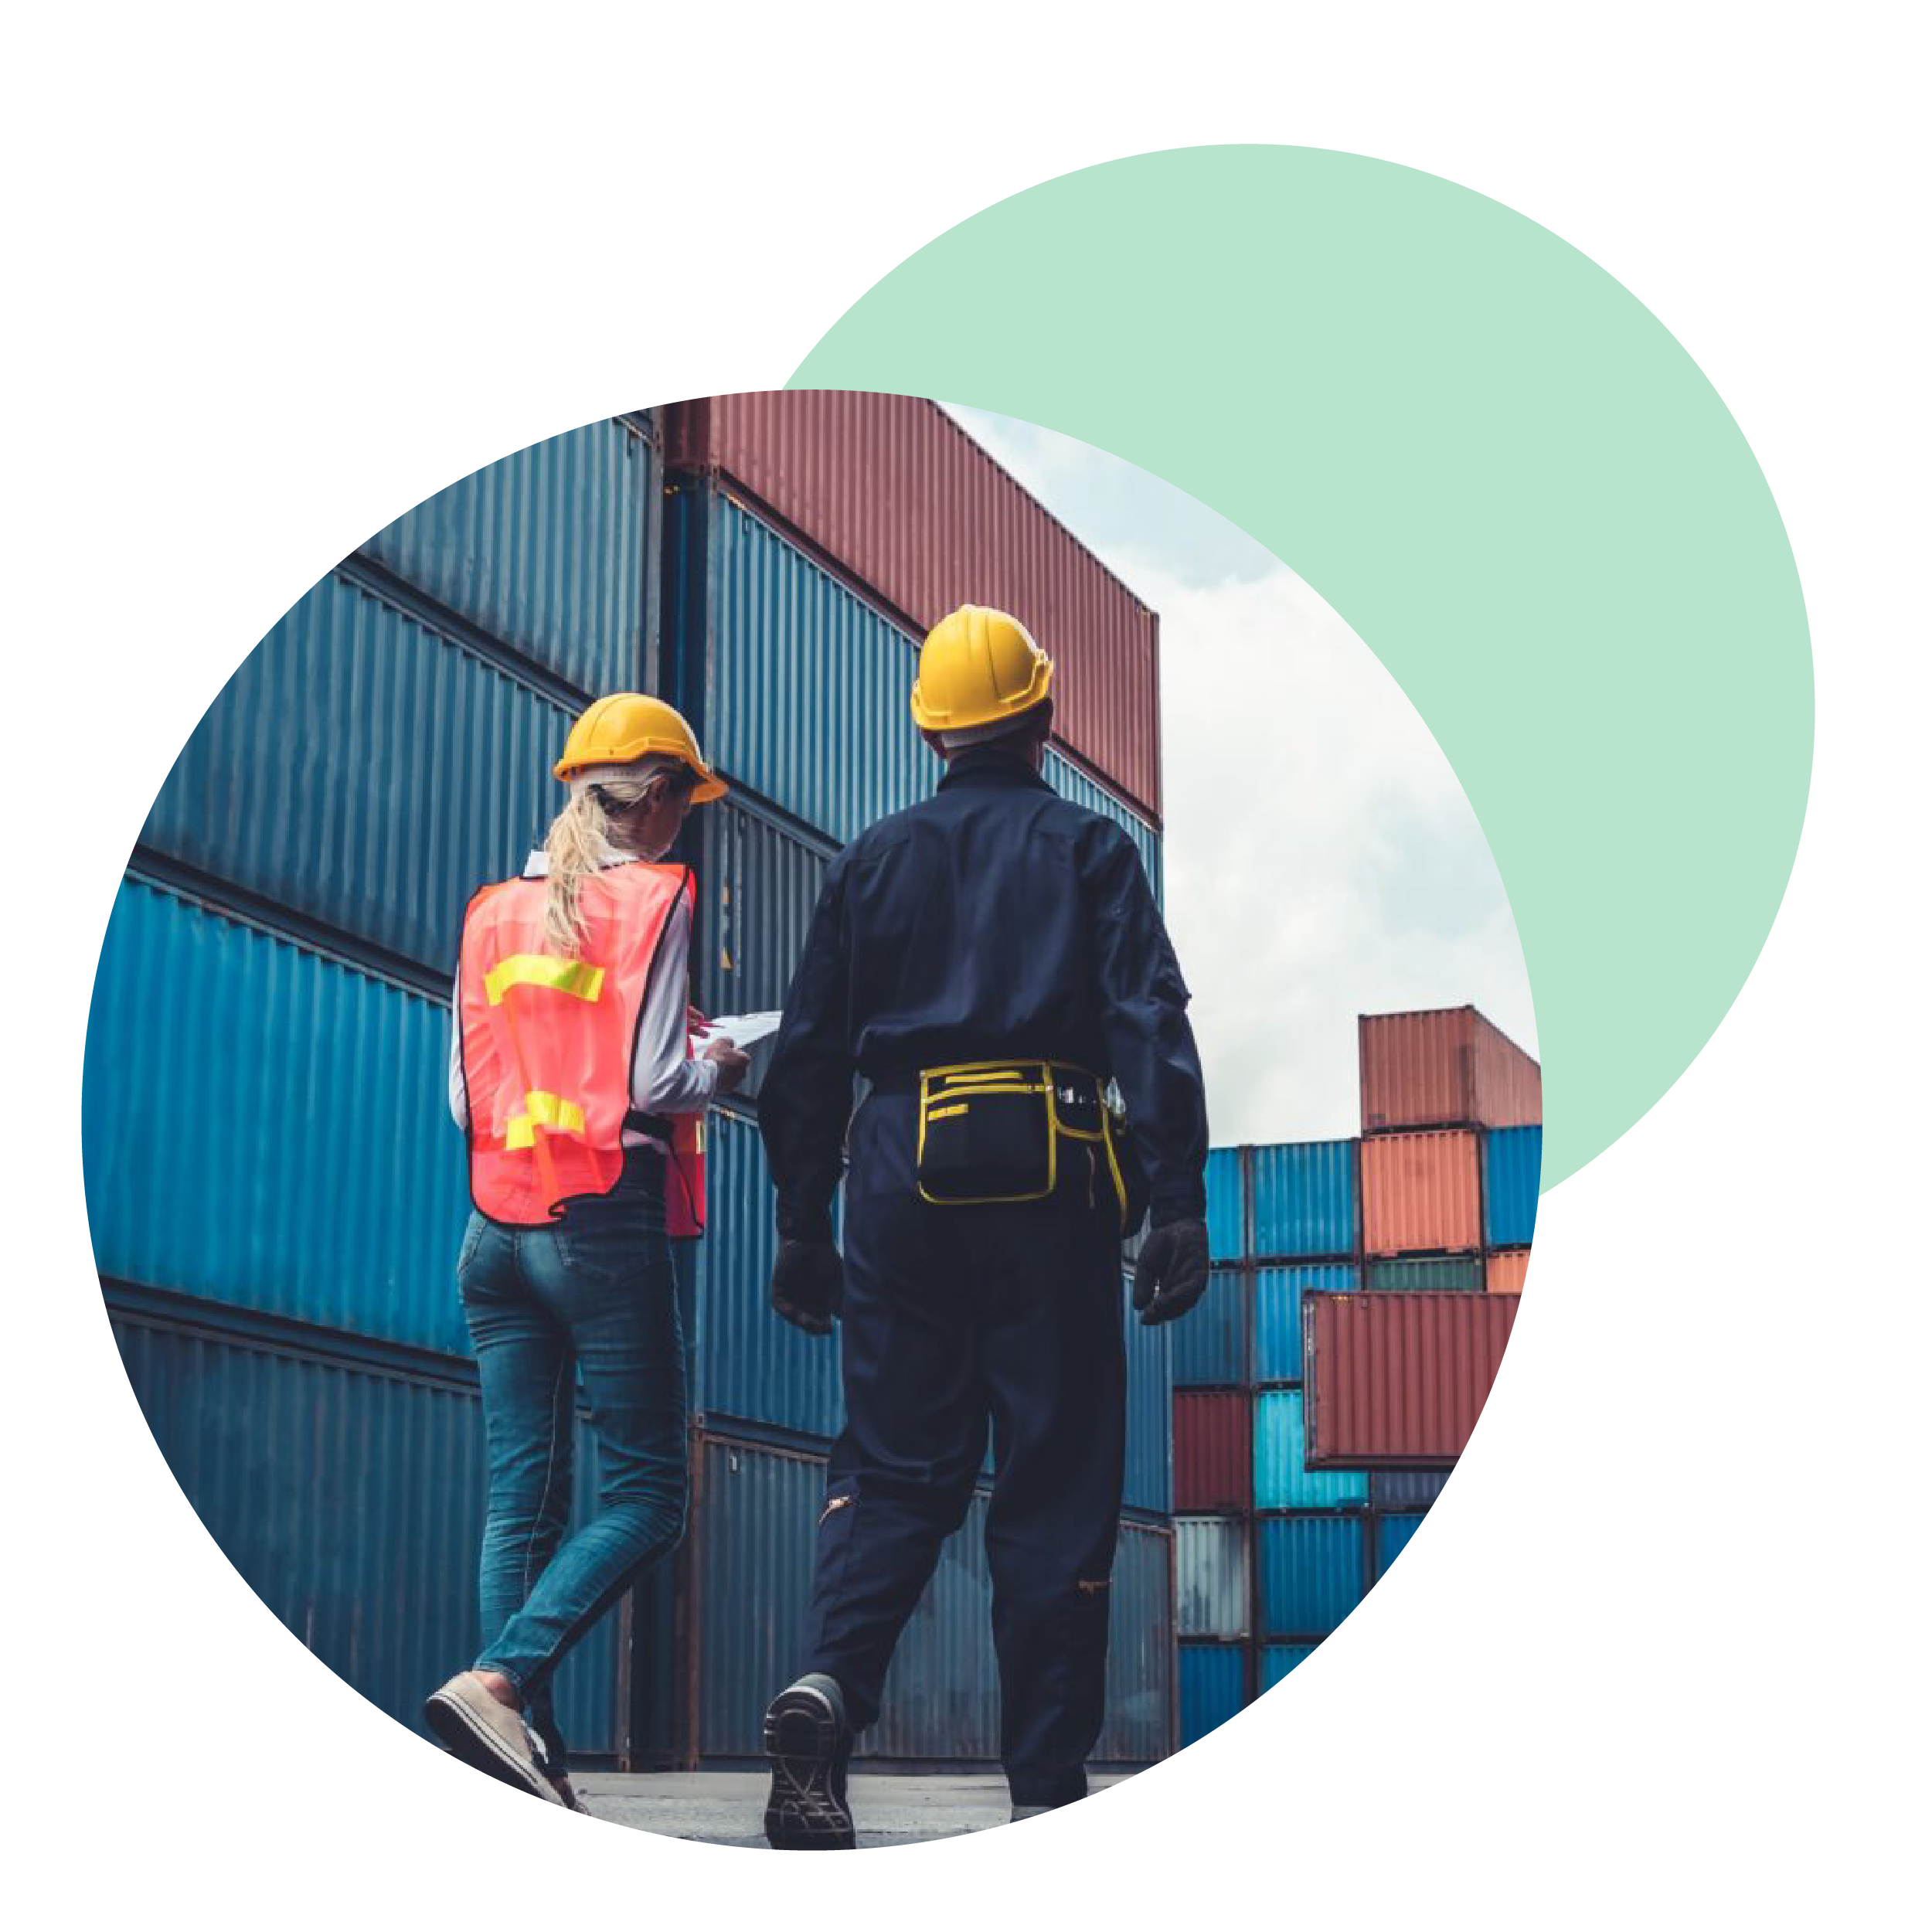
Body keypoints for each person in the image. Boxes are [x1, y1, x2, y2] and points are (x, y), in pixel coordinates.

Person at [755, 605, 1212, 1854]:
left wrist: (800, 1225)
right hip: (1046, 1174)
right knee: (1055, 1475)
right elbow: (1148, 1023)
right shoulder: (1091, 849)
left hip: (896, 1170)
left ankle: (828, 1692)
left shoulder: (872, 860)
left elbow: (807, 1059)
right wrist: (1177, 1200)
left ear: (931, 735)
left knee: (894, 1465)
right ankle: (1049, 1793)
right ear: (1043, 719)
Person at [423, 693, 749, 1825]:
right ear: (654, 797)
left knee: (521, 1503)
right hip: (601, 1223)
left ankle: (524, 1767)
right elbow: (656, 1083)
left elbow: (465, 1100)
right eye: (684, 801)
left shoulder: (491, 912)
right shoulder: (656, 897)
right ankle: (501, 1681)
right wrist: (724, 1066)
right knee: (650, 1494)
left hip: (492, 1231)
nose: (684, 821)